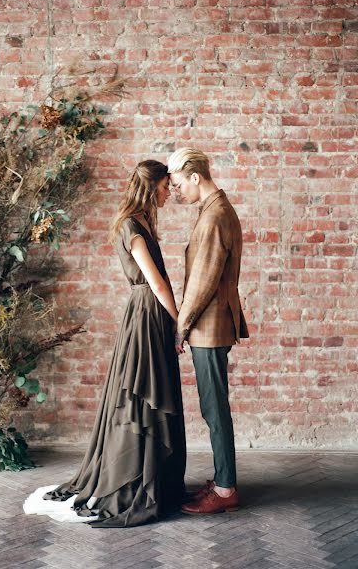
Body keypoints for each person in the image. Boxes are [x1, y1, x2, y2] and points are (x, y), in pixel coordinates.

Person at [24, 160, 186, 528]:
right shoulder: (132, 226)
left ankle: (153, 474)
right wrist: (180, 323)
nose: (169, 193)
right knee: (144, 391)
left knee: (148, 389)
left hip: (148, 312)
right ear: (150, 188)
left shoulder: (139, 223)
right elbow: (156, 283)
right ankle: (133, 475)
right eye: (165, 187)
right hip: (148, 312)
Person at [167, 147, 249, 514]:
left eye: (180, 183)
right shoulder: (215, 209)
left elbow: (202, 281)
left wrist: (181, 327)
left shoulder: (215, 215)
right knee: (213, 405)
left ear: (196, 177)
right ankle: (222, 479)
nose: (177, 191)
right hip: (212, 323)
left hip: (209, 326)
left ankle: (226, 488)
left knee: (214, 407)